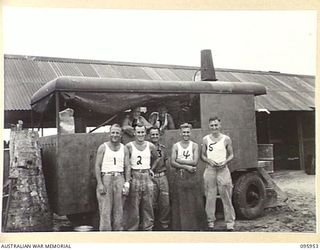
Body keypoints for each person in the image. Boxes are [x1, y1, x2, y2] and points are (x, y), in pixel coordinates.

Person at [201, 116, 236, 231]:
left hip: (223, 169)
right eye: (212, 125)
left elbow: (231, 155)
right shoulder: (205, 139)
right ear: (209, 126)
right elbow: (203, 155)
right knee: (210, 196)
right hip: (210, 170)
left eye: (216, 125)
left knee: (226, 195)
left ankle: (230, 223)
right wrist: (208, 160)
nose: (214, 127)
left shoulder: (226, 139)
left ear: (220, 125)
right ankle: (210, 221)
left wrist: (225, 161)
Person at [94, 124, 130, 231]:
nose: (115, 135)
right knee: (105, 210)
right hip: (106, 178)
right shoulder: (103, 147)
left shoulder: (124, 148)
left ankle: (117, 235)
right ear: (109, 133)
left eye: (117, 133)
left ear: (121, 134)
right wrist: (100, 183)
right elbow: (97, 165)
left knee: (119, 210)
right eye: (113, 132)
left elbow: (127, 166)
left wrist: (127, 183)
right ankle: (106, 237)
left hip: (120, 178)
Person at [124, 124, 160, 231]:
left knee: (148, 204)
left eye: (142, 132)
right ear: (134, 133)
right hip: (135, 175)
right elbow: (126, 163)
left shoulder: (150, 146)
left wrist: (151, 169)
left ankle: (148, 228)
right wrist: (129, 174)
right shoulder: (129, 146)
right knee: (134, 204)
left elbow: (157, 158)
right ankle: (132, 228)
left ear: (145, 133)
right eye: (138, 132)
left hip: (146, 175)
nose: (140, 134)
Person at [171, 123, 204, 230]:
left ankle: (194, 227)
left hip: (191, 176)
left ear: (190, 132)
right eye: (184, 132)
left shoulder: (194, 145)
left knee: (193, 201)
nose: (186, 134)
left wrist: (180, 160)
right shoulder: (176, 146)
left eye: (187, 132)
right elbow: (172, 162)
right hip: (180, 176)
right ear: (180, 133)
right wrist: (186, 166)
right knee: (180, 201)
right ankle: (181, 227)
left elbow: (194, 162)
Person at [149, 127, 170, 230]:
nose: (155, 136)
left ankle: (164, 224)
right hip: (151, 177)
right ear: (149, 135)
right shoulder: (146, 147)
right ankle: (150, 224)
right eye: (152, 134)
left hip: (162, 176)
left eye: (156, 134)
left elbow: (166, 162)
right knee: (150, 202)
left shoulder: (163, 148)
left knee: (165, 202)